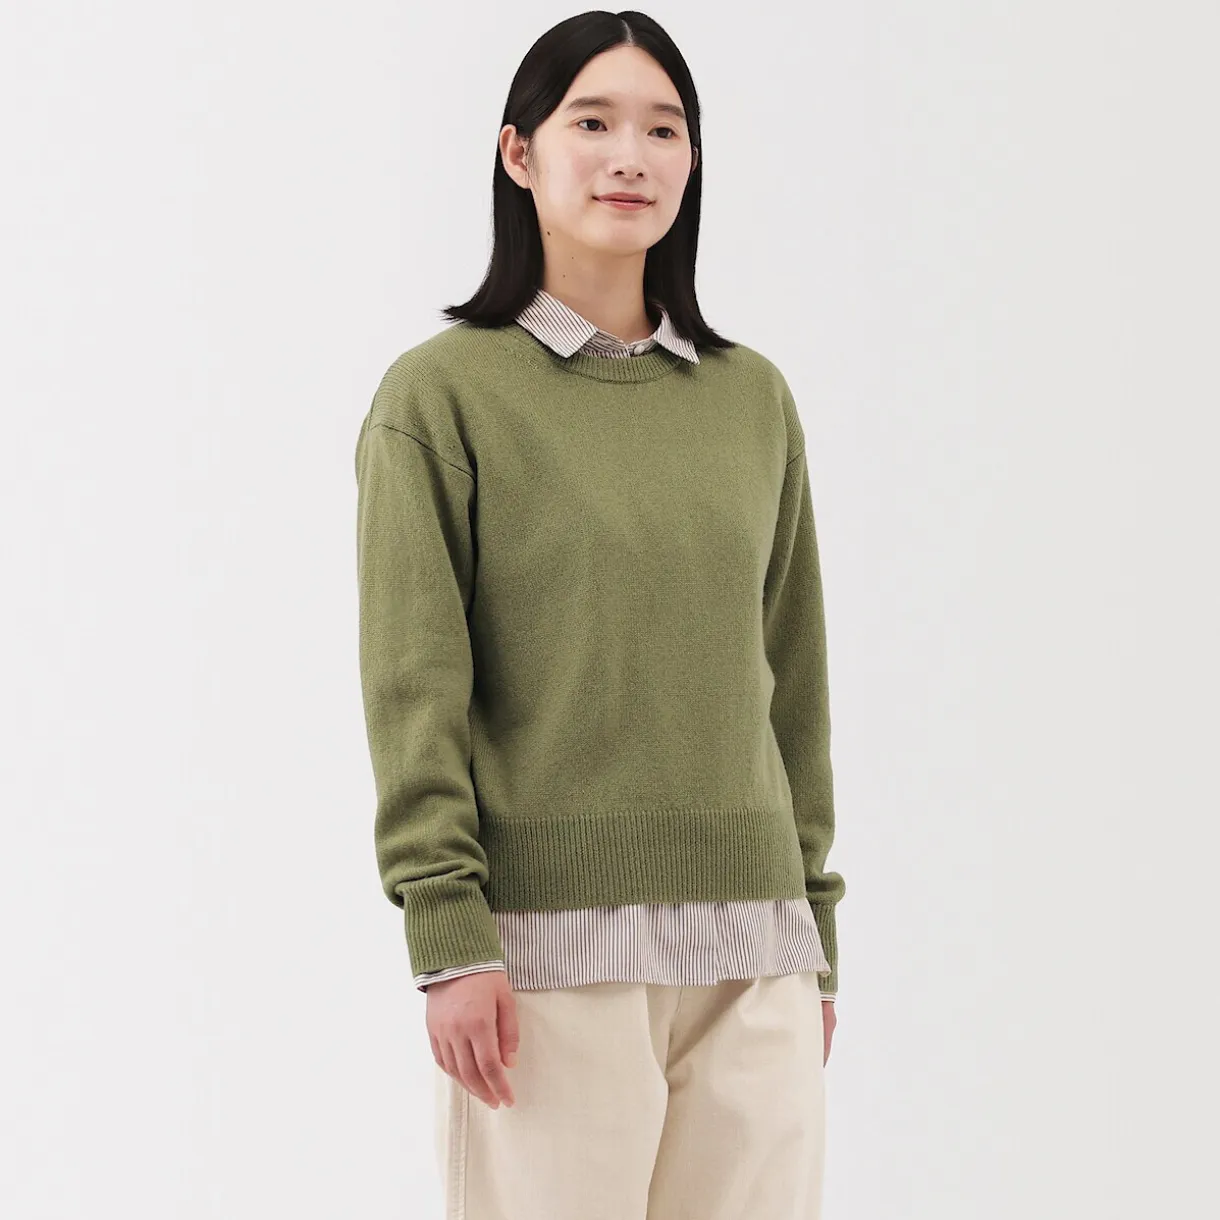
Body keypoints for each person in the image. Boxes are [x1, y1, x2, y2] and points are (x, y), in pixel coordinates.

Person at [354, 11, 847, 1218]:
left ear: (691, 162)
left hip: (755, 957)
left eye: (663, 129)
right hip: (545, 956)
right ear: (518, 152)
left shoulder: (751, 399)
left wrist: (815, 931)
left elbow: (791, 678)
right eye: (593, 121)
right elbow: (415, 689)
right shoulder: (440, 398)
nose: (631, 155)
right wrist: (447, 933)